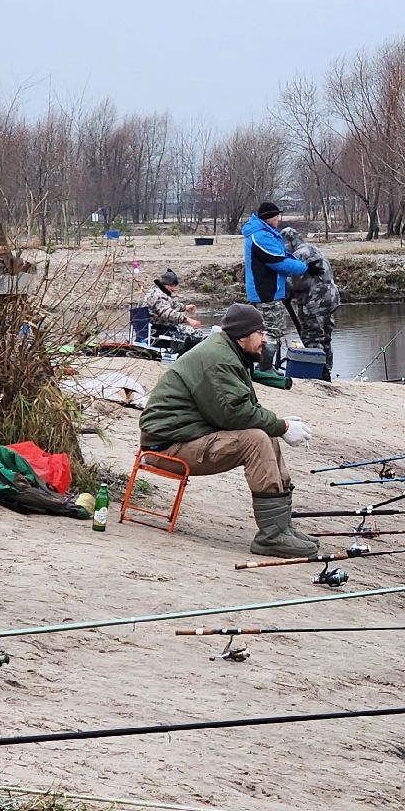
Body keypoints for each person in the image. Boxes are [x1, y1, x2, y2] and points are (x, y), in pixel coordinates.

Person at [136, 302, 321, 558]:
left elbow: (239, 408)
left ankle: (282, 527)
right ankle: (271, 537)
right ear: (243, 336)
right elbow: (235, 414)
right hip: (166, 447)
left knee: (266, 434)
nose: (265, 339)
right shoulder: (219, 360)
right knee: (256, 439)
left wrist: (276, 426)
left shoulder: (229, 352)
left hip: (188, 436)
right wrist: (283, 426)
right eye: (261, 333)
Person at [240, 201, 307, 370]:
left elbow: (282, 254)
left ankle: (266, 367)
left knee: (269, 331)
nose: (278, 220)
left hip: (269, 291)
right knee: (272, 332)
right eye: (276, 217)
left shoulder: (264, 233)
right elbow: (277, 261)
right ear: (269, 218)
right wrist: (304, 267)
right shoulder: (260, 236)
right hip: (266, 292)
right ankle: (265, 369)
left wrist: (295, 261)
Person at [283, 227, 340, 379]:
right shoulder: (313, 249)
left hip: (314, 302)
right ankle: (327, 370)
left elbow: (292, 283)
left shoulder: (299, 255)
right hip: (331, 298)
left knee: (312, 336)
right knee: (326, 337)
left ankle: (317, 373)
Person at [143, 268, 201, 337]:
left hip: (156, 327)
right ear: (165, 284)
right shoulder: (158, 295)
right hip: (158, 330)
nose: (173, 289)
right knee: (197, 333)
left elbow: (171, 304)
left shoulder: (156, 291)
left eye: (174, 286)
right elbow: (167, 313)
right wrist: (187, 320)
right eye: (171, 286)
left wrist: (185, 307)